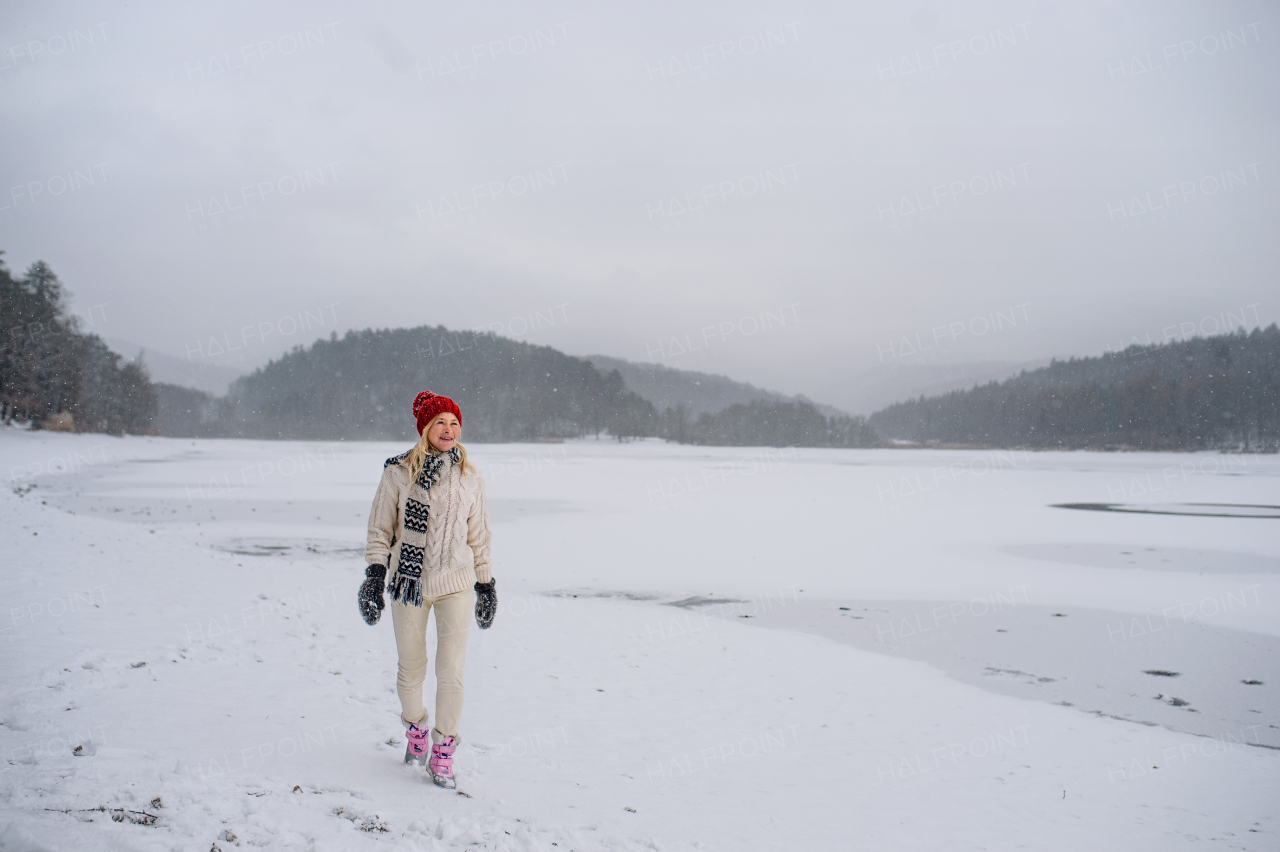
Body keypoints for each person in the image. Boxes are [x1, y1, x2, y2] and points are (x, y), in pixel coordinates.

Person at [358, 390, 498, 788]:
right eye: (441, 422)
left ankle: (443, 751)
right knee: (411, 670)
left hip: (456, 584)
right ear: (425, 428)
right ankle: (416, 729)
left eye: (455, 423)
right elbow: (380, 530)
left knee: (451, 671)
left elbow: (479, 537)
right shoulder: (398, 473)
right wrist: (374, 577)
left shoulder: (470, 476)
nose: (449, 430)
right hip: (409, 584)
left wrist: (486, 585)